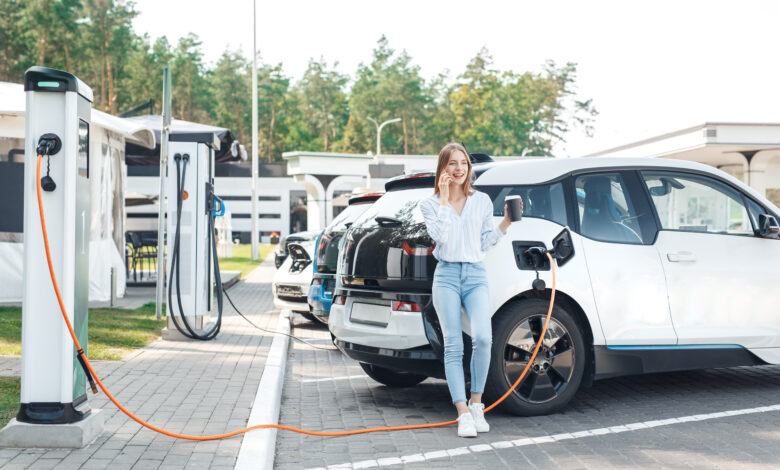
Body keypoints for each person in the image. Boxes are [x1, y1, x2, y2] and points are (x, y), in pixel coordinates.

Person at [420, 142, 521, 438]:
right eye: (452, 163)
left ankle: (477, 404)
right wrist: (445, 201)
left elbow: (485, 241)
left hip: (476, 274)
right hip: (447, 275)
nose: (459, 168)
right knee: (454, 345)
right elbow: (439, 236)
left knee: (483, 338)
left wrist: (505, 221)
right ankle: (462, 412)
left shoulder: (482, 201)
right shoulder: (430, 204)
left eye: (462, 162)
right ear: (443, 168)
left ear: (469, 166)